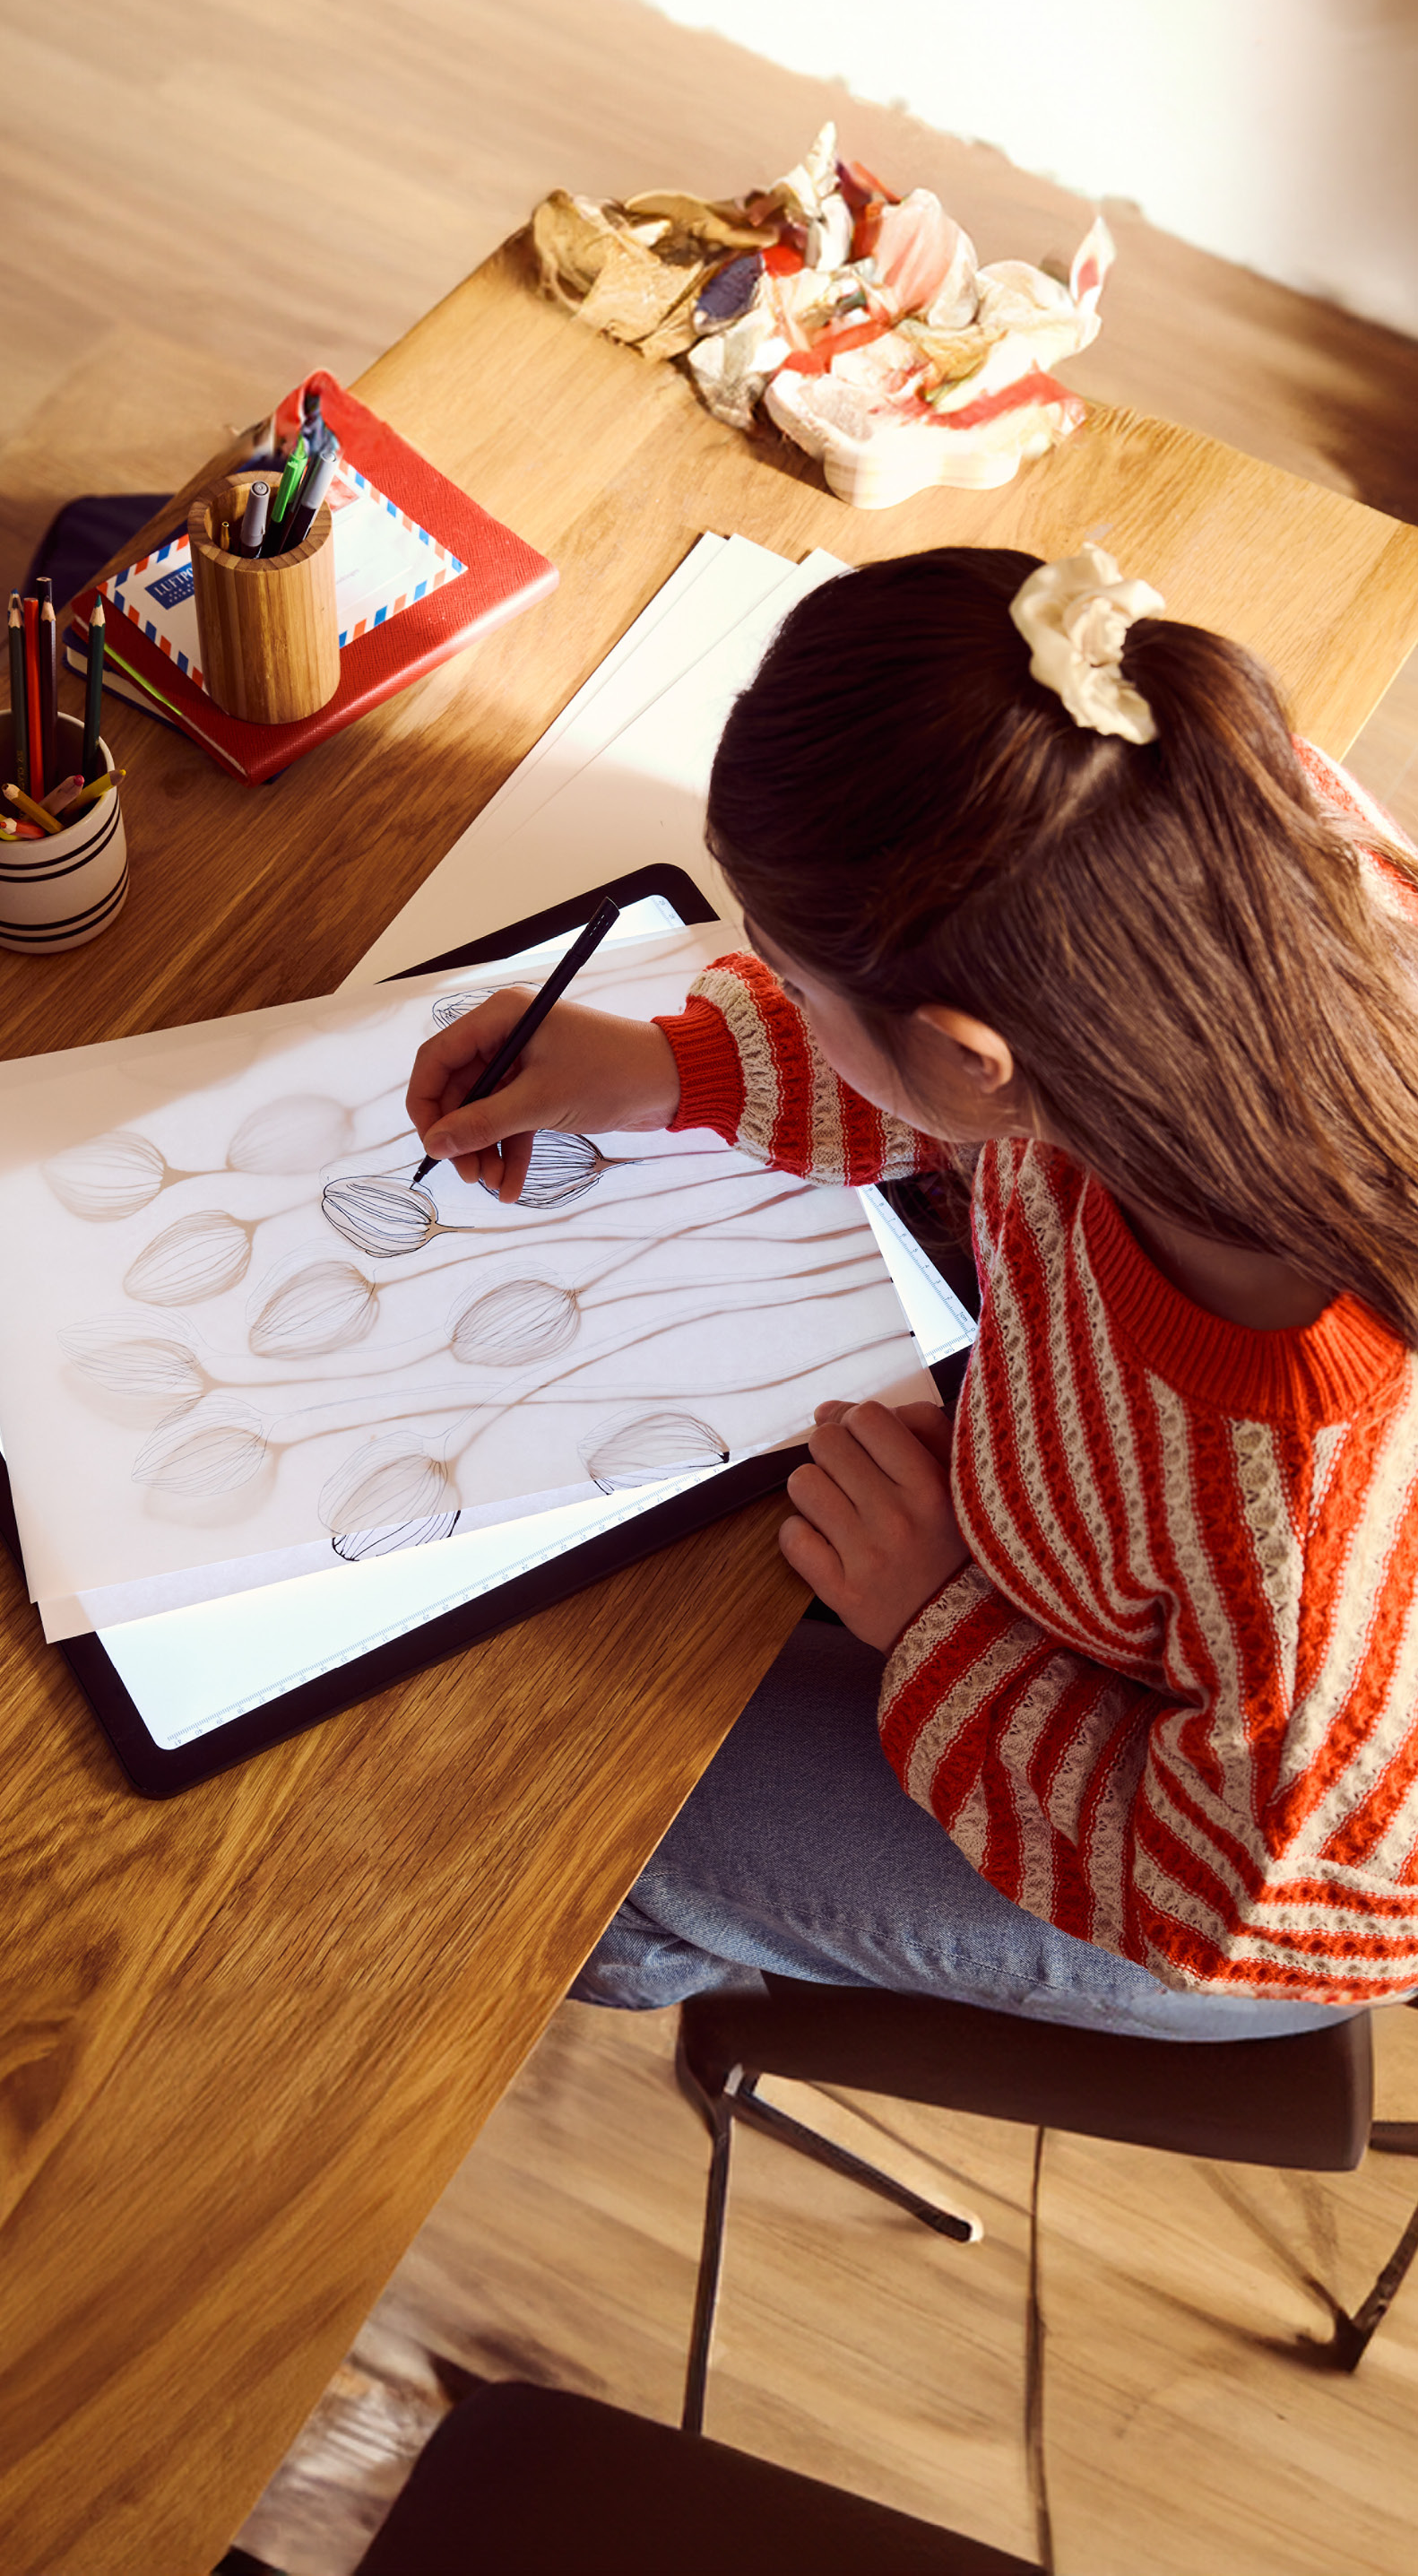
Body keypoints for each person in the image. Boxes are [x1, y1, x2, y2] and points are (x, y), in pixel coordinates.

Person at [405, 545, 1418, 2037]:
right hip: (1103, 1548)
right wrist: (663, 1065)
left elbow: (1255, 1911)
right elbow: (980, 1072)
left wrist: (944, 1621)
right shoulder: (1211, 813)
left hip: (1227, 1885)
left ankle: (646, 1949)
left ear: (969, 1055)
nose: (769, 993)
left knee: (566, 1807)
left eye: (793, 982)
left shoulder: (1290, 1537)